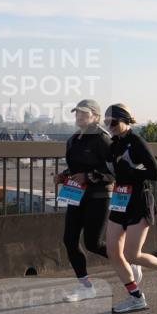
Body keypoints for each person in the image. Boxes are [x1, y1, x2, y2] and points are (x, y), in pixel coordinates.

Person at [105, 103, 157, 313]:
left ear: (125, 120)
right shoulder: (114, 145)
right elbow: (113, 172)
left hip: (139, 201)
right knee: (113, 251)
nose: (110, 126)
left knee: (132, 254)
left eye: (113, 122)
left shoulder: (137, 142)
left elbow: (156, 174)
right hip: (120, 200)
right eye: (106, 122)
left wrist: (132, 171)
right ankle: (136, 297)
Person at [59, 99, 118, 303]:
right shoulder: (73, 140)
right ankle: (85, 287)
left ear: (95, 116)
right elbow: (75, 167)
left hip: (98, 196)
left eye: (84, 113)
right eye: (77, 113)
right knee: (69, 240)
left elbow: (113, 172)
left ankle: (126, 262)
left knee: (93, 243)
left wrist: (88, 176)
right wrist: (63, 175)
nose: (79, 116)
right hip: (76, 195)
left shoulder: (103, 139)